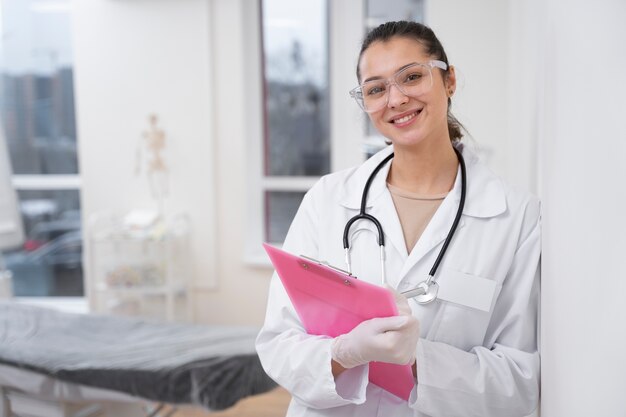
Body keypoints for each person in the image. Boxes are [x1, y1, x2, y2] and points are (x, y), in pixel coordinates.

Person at [256, 21, 540, 417]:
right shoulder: (328, 199)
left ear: (449, 80)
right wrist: (343, 353)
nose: (396, 99)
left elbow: (519, 382)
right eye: (376, 89)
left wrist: (417, 360)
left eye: (411, 77)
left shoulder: (515, 216)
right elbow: (278, 342)